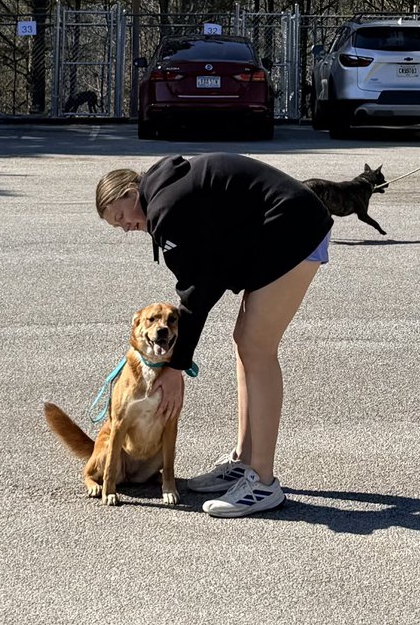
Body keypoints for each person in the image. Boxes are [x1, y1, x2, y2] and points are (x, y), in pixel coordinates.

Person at [96, 152, 331, 518]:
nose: (126, 227)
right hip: (279, 230)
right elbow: (209, 269)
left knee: (257, 347)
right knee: (245, 342)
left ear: (130, 191)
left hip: (295, 230)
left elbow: (199, 289)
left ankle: (263, 482)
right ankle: (245, 460)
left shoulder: (166, 207)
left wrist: (175, 367)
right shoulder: (166, 193)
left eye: (121, 216)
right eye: (118, 226)